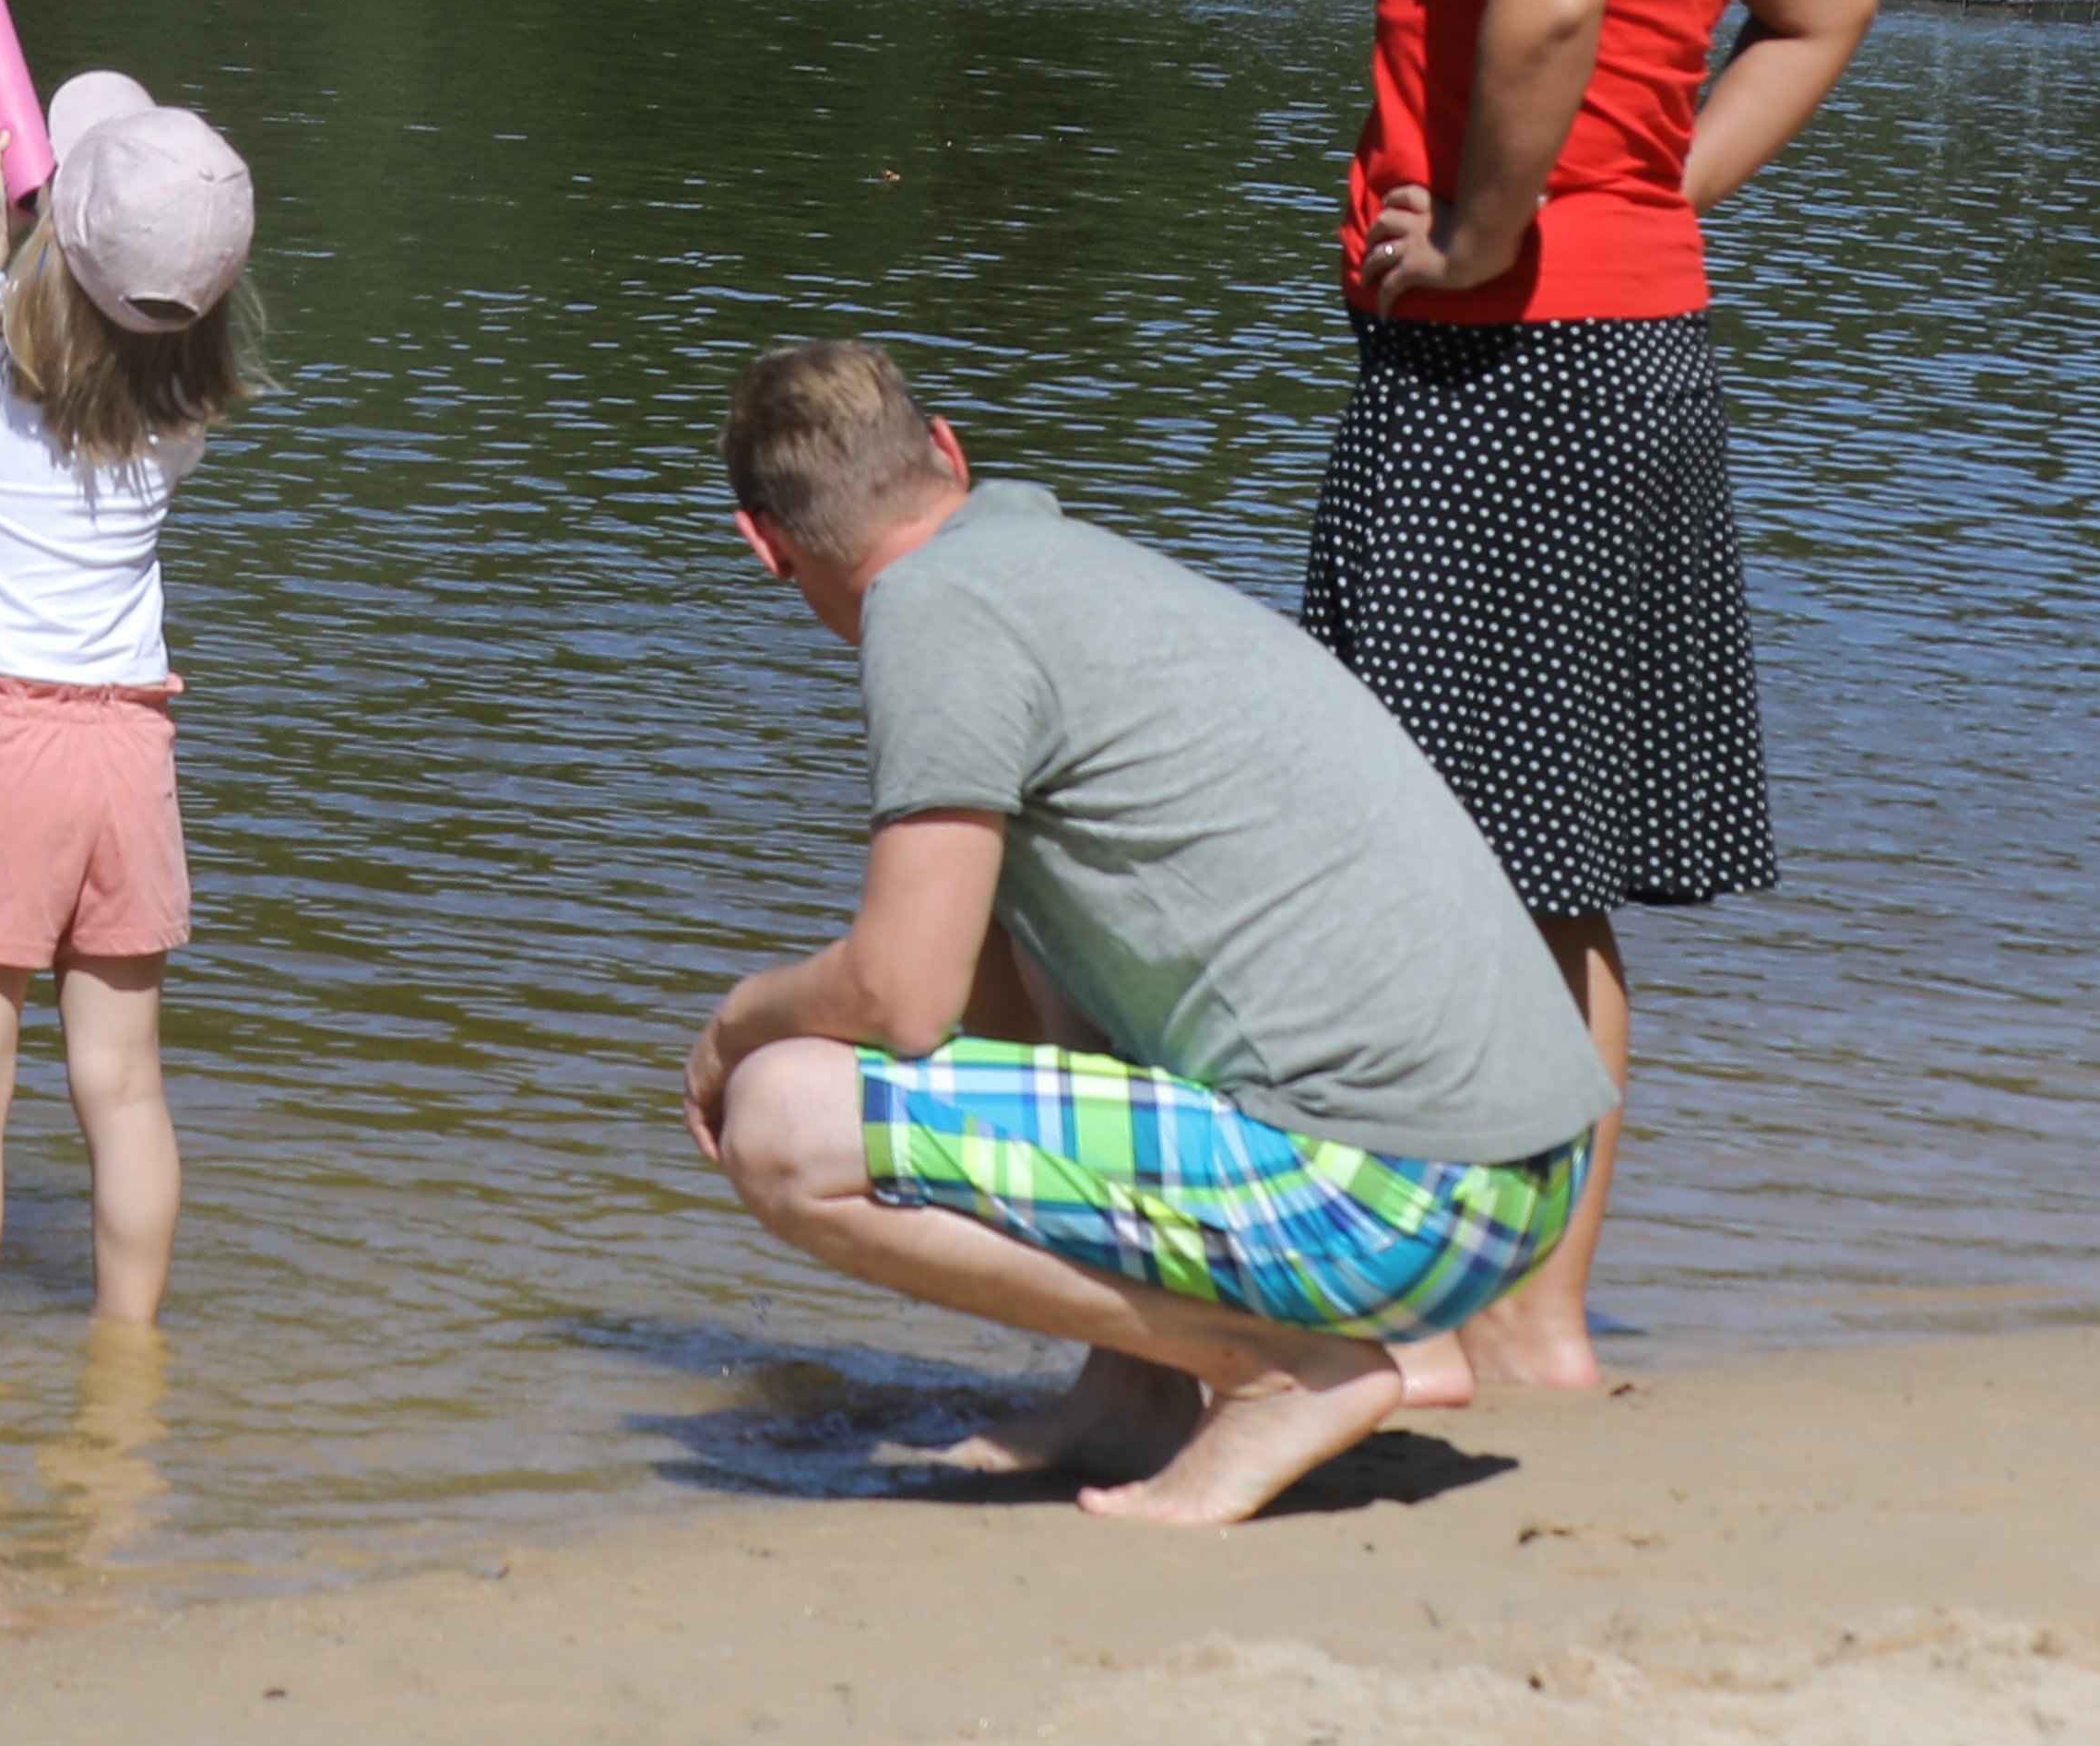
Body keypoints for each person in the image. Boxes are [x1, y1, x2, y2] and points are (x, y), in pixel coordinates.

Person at [1311, 0, 1874, 1390]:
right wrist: (1645, 189)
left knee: (1438, 855)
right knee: (1549, 874)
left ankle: (1457, 1312)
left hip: (1502, 363)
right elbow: (1825, 2)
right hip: (1640, 353)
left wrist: (1479, 224)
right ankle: (1540, 1318)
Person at [682, 339, 1617, 1527]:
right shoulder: (1058, 563)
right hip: (1519, 1183)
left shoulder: (933, 609)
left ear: (764, 543)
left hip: (1399, 1198)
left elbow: (899, 998)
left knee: (785, 1117)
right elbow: (975, 997)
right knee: (1013, 930)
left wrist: (730, 1027)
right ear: (949, 453)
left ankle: (1279, 1370)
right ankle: (1134, 1387)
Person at [0, 68, 257, 1339]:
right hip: (129, 744)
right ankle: (128, 1349)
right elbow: (109, 315)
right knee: (125, 1085)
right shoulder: (184, 405)